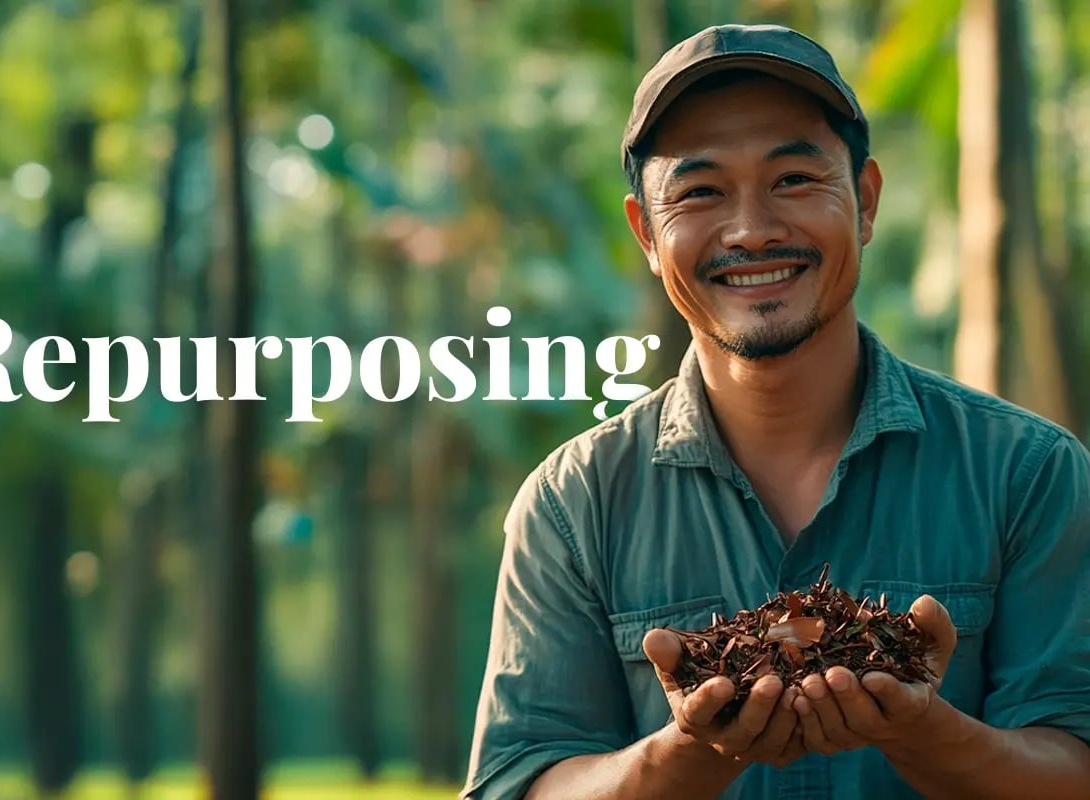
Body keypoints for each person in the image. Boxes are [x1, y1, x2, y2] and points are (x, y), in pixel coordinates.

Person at [460, 23, 1090, 800]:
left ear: (863, 202)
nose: (752, 229)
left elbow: (1075, 765)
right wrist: (688, 750)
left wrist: (924, 732)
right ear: (647, 235)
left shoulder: (1027, 475)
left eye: (794, 179)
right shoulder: (572, 505)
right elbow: (519, 785)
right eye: (699, 191)